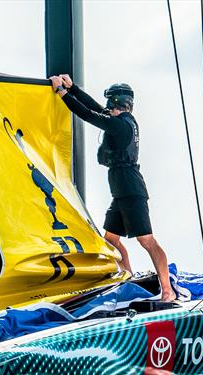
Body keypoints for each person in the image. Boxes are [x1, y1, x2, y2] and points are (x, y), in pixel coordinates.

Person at [49, 74, 176, 301]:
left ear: (116, 103)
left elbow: (88, 114)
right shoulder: (122, 121)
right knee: (111, 240)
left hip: (131, 190)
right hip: (120, 192)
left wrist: (62, 93)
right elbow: (94, 108)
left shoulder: (121, 126)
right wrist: (73, 88)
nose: (106, 107)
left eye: (109, 103)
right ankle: (127, 278)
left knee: (146, 240)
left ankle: (168, 290)